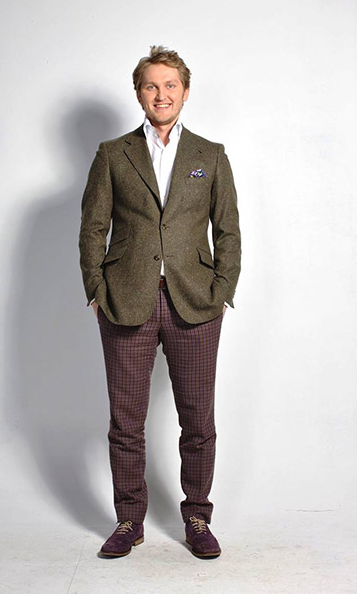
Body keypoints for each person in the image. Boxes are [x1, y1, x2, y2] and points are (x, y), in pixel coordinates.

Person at [79, 45, 241, 559]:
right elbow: (92, 228)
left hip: (196, 304)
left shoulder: (210, 155)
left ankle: (197, 516)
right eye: (151, 85)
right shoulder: (113, 153)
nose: (161, 94)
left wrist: (222, 290)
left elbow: (228, 230)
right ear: (139, 93)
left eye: (170, 85)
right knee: (126, 422)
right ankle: (129, 520)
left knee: (198, 421)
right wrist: (96, 289)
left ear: (185, 92)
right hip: (127, 301)